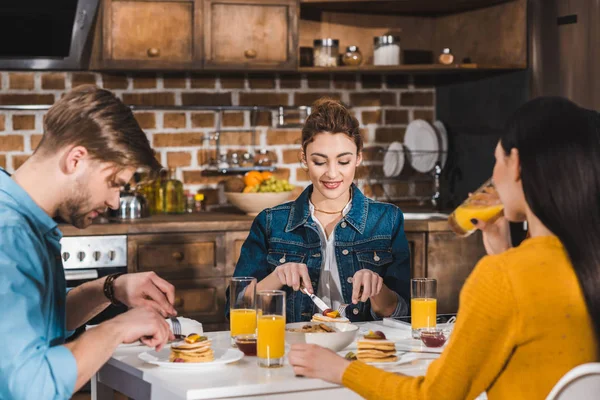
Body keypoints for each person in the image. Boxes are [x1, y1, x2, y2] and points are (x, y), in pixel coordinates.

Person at [288, 96, 599, 399]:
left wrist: (340, 369)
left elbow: (434, 396)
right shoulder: (585, 260)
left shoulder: (501, 277)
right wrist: (506, 253)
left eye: (496, 159)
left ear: (515, 164)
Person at [0, 85, 178, 399]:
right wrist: (117, 329)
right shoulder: (9, 235)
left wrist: (111, 288)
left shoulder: (24, 214)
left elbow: (41, 320)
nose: (114, 201)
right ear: (76, 159)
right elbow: (30, 385)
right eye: (114, 183)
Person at [228, 98, 411, 323]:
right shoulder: (270, 222)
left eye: (343, 161)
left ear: (358, 158)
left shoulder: (387, 220)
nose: (332, 174)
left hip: (363, 349)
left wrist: (377, 289)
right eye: (319, 161)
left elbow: (404, 314)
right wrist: (277, 277)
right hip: (293, 349)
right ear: (304, 159)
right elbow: (235, 309)